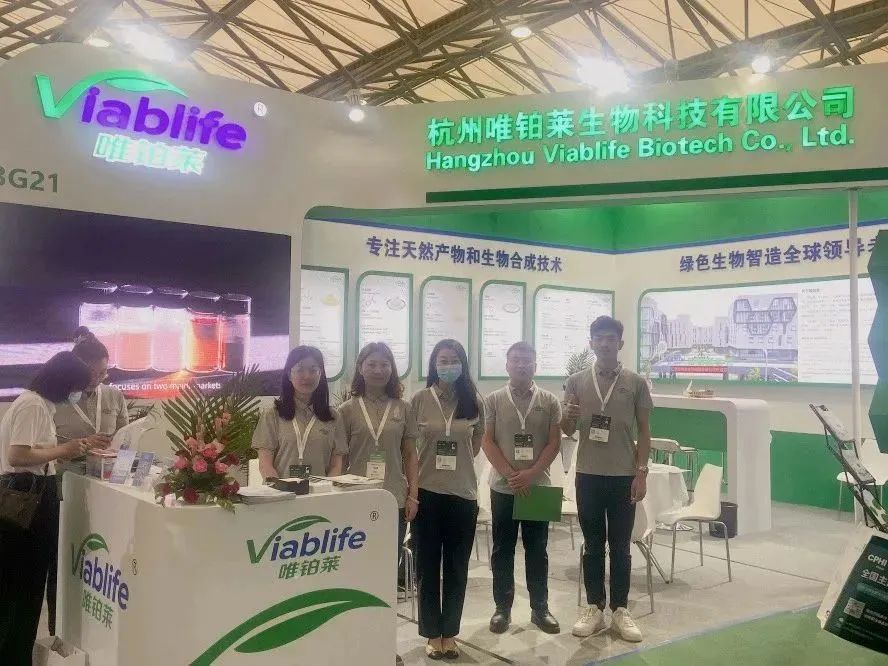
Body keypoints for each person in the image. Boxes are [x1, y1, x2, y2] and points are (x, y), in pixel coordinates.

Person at [0, 352, 97, 664]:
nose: (77, 395)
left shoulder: (39, 405)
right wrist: (63, 449)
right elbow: (17, 456)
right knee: (21, 588)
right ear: (63, 382)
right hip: (27, 500)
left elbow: (35, 449)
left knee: (26, 589)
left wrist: (66, 449)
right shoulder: (32, 405)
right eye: (76, 388)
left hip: (32, 497)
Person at [562, 316, 652, 643]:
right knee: (593, 544)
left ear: (620, 343)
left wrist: (641, 472)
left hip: (623, 476)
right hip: (587, 474)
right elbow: (567, 430)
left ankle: (620, 609)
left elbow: (645, 430)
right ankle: (594, 607)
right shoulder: (576, 381)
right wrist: (567, 417)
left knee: (620, 546)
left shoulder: (635, 383)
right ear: (591, 343)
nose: (604, 343)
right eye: (598, 338)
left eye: (610, 338)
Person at [481, 342, 562, 635]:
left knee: (537, 550)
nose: (521, 365)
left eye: (527, 361)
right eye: (516, 360)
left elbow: (554, 442)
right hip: (503, 487)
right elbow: (487, 441)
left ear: (535, 366)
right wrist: (511, 474)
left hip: (538, 487)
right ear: (507, 365)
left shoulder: (550, 401)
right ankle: (502, 609)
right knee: (502, 549)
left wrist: (531, 473)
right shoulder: (493, 400)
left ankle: (540, 609)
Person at [411, 339, 484, 660]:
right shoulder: (419, 400)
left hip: (463, 494)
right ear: (434, 364)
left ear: (463, 364)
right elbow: (409, 447)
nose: (448, 365)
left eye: (454, 360)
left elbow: (476, 445)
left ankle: (450, 634)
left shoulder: (474, 402)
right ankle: (431, 633)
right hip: (426, 493)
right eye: (443, 360)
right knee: (427, 567)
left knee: (457, 567)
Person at [49, 329, 123, 634]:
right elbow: (41, 444)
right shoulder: (55, 400)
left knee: (99, 560)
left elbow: (124, 435)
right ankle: (58, 629)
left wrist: (118, 448)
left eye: (105, 372)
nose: (101, 378)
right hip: (63, 488)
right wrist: (80, 445)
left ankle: (94, 630)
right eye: (96, 373)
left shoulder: (114, 396)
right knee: (62, 559)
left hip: (105, 489)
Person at [340, 342, 419, 566]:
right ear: (360, 368)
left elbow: (410, 454)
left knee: (388, 560)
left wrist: (413, 495)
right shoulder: (346, 410)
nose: (378, 370)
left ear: (392, 369)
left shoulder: (403, 408)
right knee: (356, 560)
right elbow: (341, 458)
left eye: (385, 365)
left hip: (394, 496)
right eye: (372, 364)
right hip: (356, 496)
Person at [253, 345, 346, 479]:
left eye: (313, 370)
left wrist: (326, 488)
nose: (307, 376)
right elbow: (265, 465)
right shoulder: (272, 415)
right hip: (282, 490)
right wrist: (279, 488)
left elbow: (336, 466)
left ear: (320, 374)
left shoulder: (333, 417)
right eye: (300, 370)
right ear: (289, 375)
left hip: (321, 491)